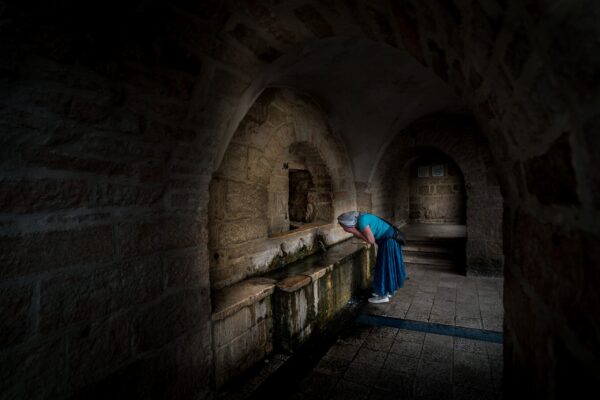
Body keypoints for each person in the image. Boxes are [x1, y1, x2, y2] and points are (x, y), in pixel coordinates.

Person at [337, 211, 407, 303]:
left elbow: (371, 240)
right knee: (388, 266)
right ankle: (388, 291)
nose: (343, 229)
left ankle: (383, 296)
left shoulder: (362, 222)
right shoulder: (361, 218)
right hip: (389, 240)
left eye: (343, 227)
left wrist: (355, 232)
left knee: (384, 268)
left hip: (389, 242)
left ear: (348, 224)